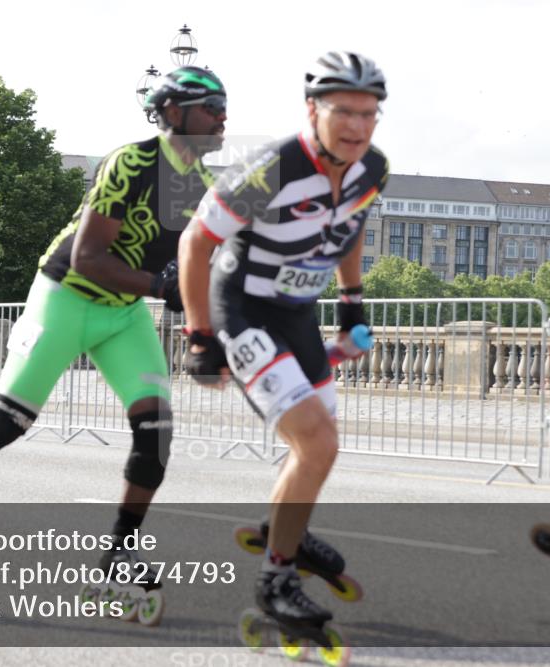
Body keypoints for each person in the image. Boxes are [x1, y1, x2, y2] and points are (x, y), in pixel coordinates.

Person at [0, 66, 229, 615]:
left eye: (225, 107)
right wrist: (160, 284)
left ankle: (119, 554)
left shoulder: (204, 189)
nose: (223, 117)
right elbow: (88, 257)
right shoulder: (130, 163)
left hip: (122, 315)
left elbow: (199, 272)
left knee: (155, 430)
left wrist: (207, 332)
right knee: (5, 424)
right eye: (211, 107)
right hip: (67, 296)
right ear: (174, 113)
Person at [178, 51, 388, 636]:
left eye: (369, 114)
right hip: (242, 308)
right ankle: (276, 580)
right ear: (312, 110)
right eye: (343, 111)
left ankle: (283, 531)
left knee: (321, 442)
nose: (357, 126)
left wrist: (352, 303)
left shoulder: (372, 169)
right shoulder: (270, 168)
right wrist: (200, 339)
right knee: (317, 442)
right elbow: (196, 245)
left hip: (298, 312)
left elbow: (352, 226)